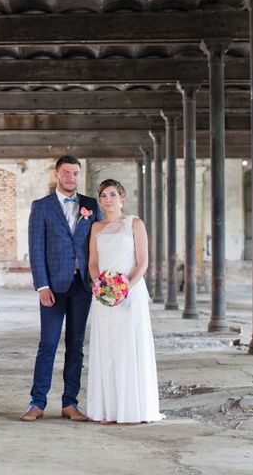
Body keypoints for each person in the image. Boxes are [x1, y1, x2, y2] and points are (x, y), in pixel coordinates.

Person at [20, 156, 103, 422]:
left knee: (76, 345)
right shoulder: (42, 207)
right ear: (57, 175)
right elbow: (36, 249)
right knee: (48, 343)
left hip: (82, 287)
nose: (71, 178)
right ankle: (37, 402)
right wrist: (41, 285)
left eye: (76, 173)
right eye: (66, 173)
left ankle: (70, 403)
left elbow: (99, 243)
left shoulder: (90, 205)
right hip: (53, 287)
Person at [86, 179, 162, 424]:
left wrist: (123, 288)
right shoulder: (96, 227)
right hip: (104, 296)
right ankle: (109, 410)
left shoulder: (134, 223)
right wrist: (100, 286)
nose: (108, 200)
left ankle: (132, 410)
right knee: (107, 350)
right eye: (103, 196)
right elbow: (93, 262)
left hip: (129, 293)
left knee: (128, 347)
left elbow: (143, 262)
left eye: (112, 195)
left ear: (122, 197)